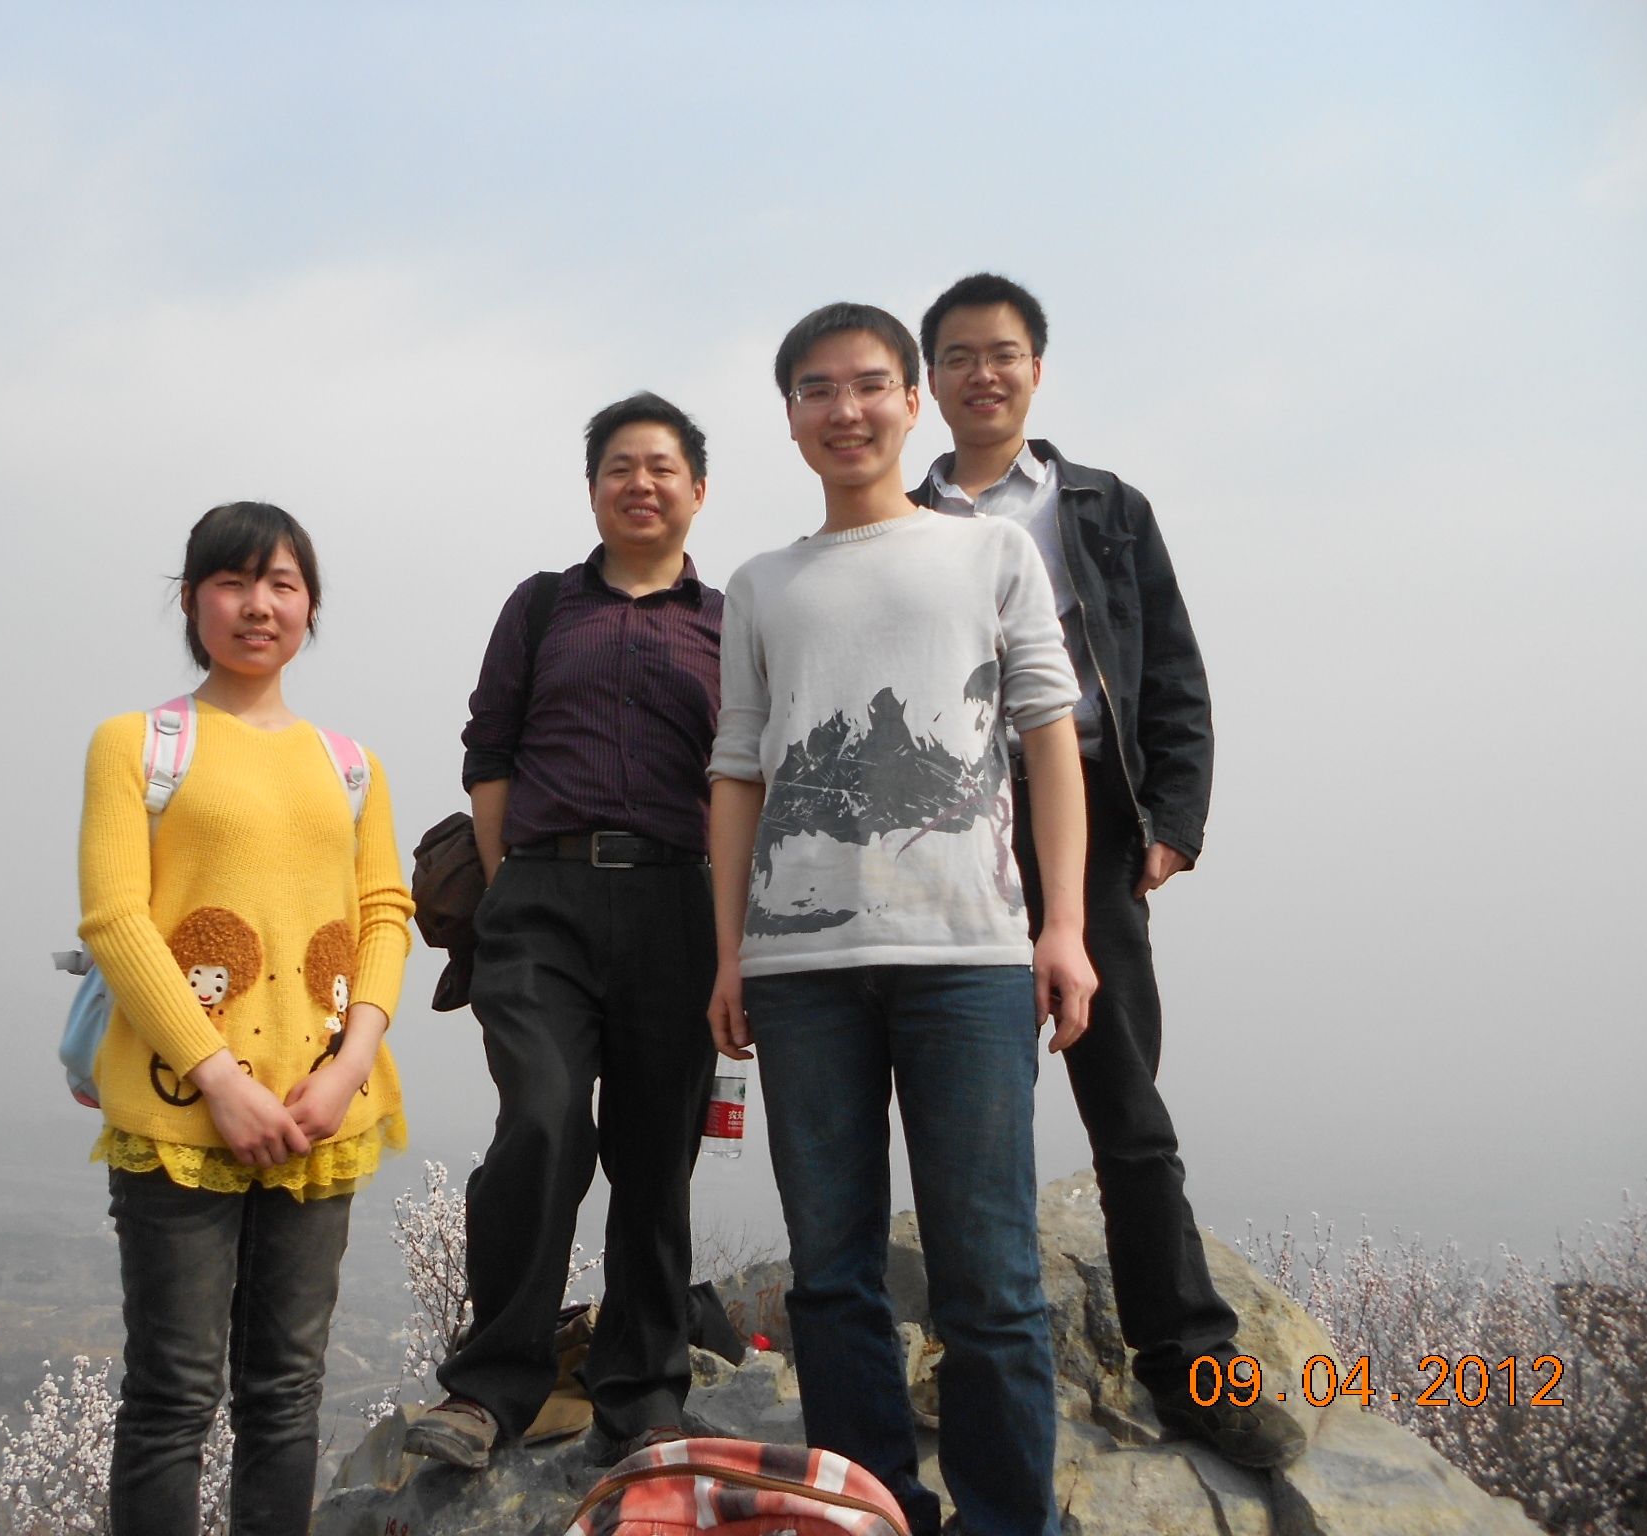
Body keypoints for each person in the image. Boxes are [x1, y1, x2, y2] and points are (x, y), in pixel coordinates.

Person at [707, 303, 1094, 1536]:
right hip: (798, 968)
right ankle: (872, 1510)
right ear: (789, 416)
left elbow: (1047, 737)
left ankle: (1005, 1520)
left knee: (991, 1279)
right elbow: (736, 771)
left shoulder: (990, 554)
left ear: (910, 401)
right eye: (816, 389)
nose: (845, 410)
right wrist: (728, 953)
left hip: (966, 957)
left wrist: (1063, 927)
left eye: (869, 384)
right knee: (828, 1275)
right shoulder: (760, 584)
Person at [910, 273, 1305, 1471]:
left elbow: (1169, 669)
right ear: (930, 381)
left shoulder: (1100, 506)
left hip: (1086, 815)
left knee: (1125, 1103)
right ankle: (978, 1362)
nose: (982, 373)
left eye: (1002, 352)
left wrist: (1172, 820)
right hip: (948, 833)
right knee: (967, 1109)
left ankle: (1188, 1362)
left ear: (1035, 369)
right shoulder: (902, 518)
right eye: (958, 356)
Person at [78, 501, 414, 1535]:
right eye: (233, 582)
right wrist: (218, 1077)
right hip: (184, 1113)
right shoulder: (138, 744)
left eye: (282, 584)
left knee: (286, 1392)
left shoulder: (350, 764)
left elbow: (384, 913)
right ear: (191, 602)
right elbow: (116, 919)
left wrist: (350, 1065)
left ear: (310, 606)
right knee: (173, 1393)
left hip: (320, 1113)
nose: (258, 605)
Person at [405, 393, 723, 1469]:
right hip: (540, 900)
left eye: (662, 467)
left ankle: (643, 1396)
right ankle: (491, 1387)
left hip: (678, 904)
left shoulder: (731, 625)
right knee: (541, 1121)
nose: (641, 483)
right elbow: (490, 750)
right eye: (618, 467)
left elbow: (746, 776)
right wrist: (506, 890)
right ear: (592, 490)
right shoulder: (542, 606)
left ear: (697, 489)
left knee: (656, 1153)